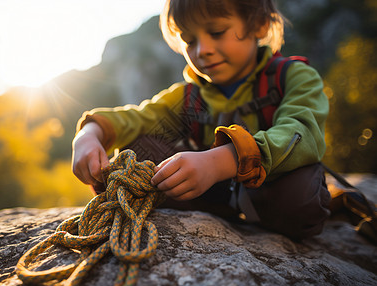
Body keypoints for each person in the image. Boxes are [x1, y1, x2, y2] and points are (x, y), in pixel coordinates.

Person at [71, 0, 331, 240]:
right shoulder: (189, 96)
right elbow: (138, 118)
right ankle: (222, 206)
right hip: (210, 195)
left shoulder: (293, 77)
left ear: (259, 25)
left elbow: (302, 132)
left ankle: (243, 205)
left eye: (217, 32)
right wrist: (90, 134)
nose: (202, 50)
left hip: (270, 186)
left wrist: (221, 162)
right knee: (138, 149)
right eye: (189, 40)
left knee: (299, 199)